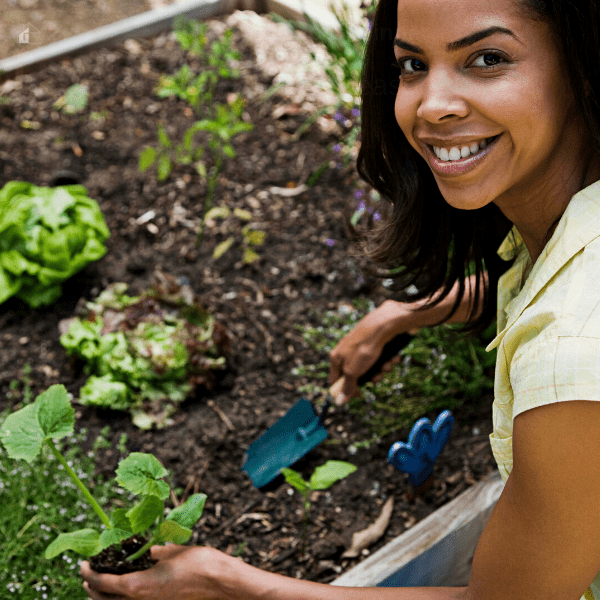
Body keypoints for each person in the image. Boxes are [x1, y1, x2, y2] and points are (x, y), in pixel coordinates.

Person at [81, 0, 600, 598]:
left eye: (487, 58)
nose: (431, 104)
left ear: (583, 67)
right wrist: (410, 312)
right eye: (411, 65)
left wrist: (230, 585)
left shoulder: (571, 361)